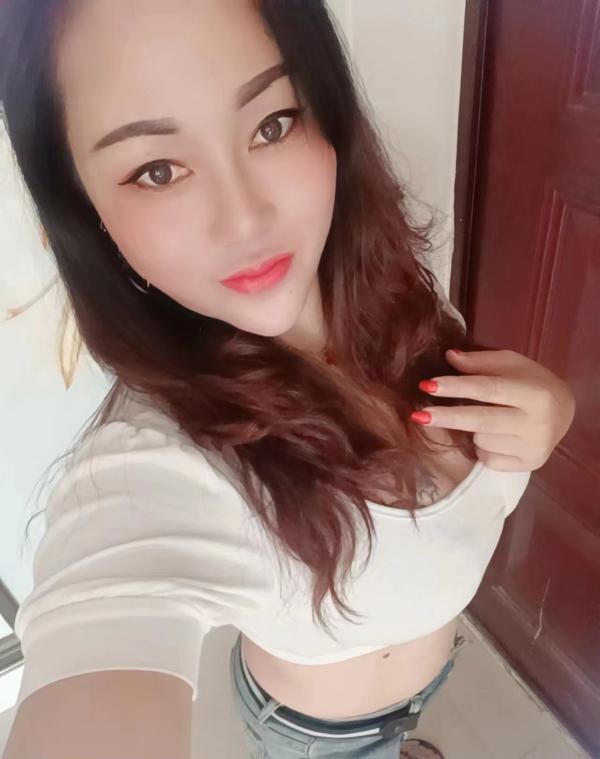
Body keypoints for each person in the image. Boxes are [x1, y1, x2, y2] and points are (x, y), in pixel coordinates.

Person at [0, 1, 575, 758]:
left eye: (272, 124)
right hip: (316, 737)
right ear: (86, 211)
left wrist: (552, 411)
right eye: (157, 170)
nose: (246, 219)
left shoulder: (403, 306)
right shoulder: (146, 470)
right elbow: (99, 635)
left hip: (432, 679)